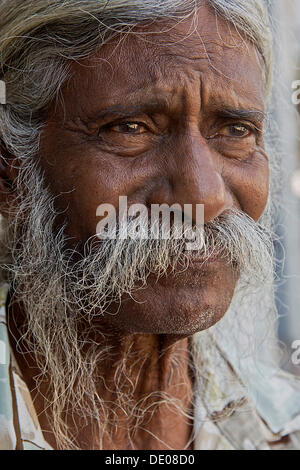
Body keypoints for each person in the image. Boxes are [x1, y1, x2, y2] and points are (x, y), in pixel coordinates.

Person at [0, 0, 299, 450]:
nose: (203, 196)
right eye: (130, 128)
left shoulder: (282, 427)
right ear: (10, 173)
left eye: (236, 131)